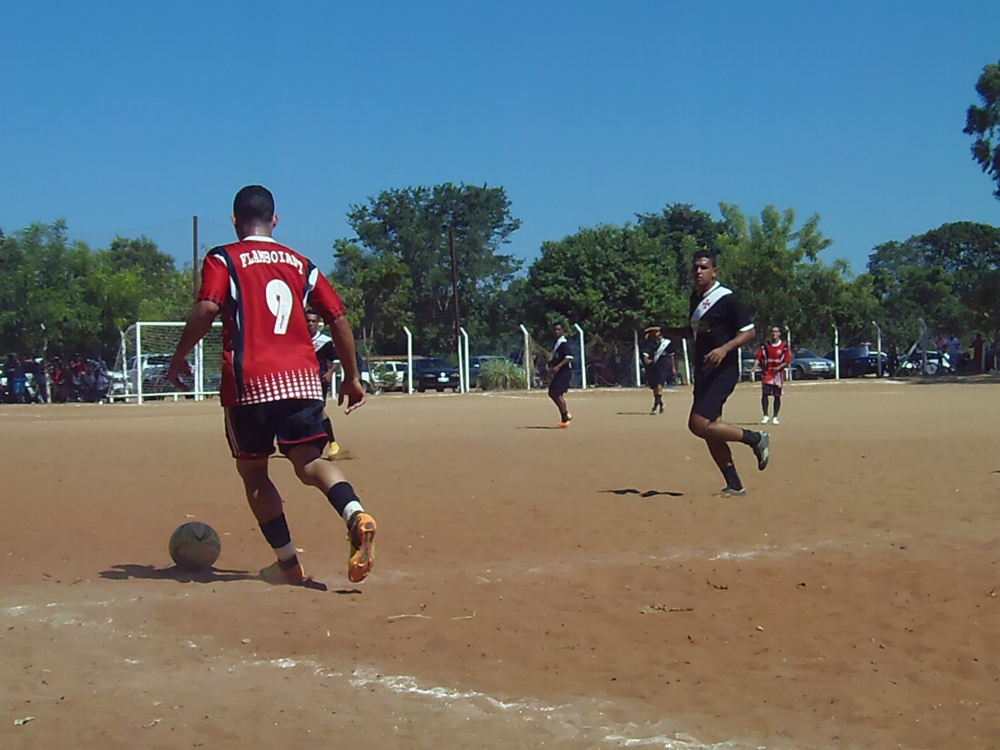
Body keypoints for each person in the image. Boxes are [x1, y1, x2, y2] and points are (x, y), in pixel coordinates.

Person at [167, 185, 376, 586]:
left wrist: (180, 357)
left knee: (255, 474)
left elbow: (208, 306)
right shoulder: (301, 263)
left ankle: (288, 564)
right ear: (275, 220)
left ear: (234, 220)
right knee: (312, 463)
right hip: (301, 381)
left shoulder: (223, 257)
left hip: (250, 384)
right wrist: (352, 377)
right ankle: (355, 513)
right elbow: (337, 318)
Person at [661, 249, 770, 497]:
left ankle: (755, 438)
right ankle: (734, 485)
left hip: (724, 371)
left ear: (714, 271)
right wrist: (666, 331)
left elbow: (749, 331)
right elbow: (694, 332)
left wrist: (724, 349)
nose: (698, 272)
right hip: (704, 371)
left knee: (698, 424)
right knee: (712, 428)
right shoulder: (695, 299)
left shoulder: (728, 299)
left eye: (703, 267)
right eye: (695, 268)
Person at [305, 309, 340, 458]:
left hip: (319, 382)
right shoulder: (298, 339)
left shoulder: (324, 342)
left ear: (318, 323)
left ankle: (333, 443)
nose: (311, 324)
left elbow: (336, 360)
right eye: (308, 321)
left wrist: (330, 373)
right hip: (301, 382)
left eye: (314, 321)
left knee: (319, 411)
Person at [753, 326, 791, 424]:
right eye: (772, 332)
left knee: (777, 395)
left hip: (778, 375)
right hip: (767, 374)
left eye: (776, 332)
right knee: (765, 394)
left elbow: (787, 361)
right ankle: (765, 415)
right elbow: (758, 357)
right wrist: (754, 367)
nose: (774, 333)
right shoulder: (765, 346)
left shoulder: (784, 346)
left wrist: (778, 368)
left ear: (779, 334)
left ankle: (775, 417)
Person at [641, 327, 674, 415]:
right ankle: (661, 404)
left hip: (664, 366)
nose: (656, 334)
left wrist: (673, 367)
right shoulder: (651, 343)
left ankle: (655, 406)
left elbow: (672, 356)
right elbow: (646, 353)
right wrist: (646, 359)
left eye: (658, 332)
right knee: (655, 387)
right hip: (653, 366)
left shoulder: (667, 343)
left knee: (660, 385)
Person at [548, 323, 574, 427]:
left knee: (556, 392)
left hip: (565, 371)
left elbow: (569, 357)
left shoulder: (564, 343)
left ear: (562, 331)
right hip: (560, 371)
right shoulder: (556, 343)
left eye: (558, 329)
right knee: (552, 393)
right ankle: (566, 414)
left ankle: (565, 417)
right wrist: (550, 365)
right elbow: (557, 357)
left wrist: (558, 366)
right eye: (554, 330)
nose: (556, 332)